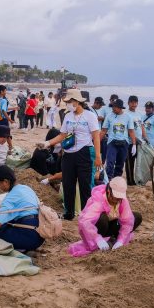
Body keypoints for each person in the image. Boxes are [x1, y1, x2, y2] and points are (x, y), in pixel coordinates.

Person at [38, 89, 102, 220]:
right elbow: (62, 135)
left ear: (77, 102)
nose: (67, 104)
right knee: (67, 184)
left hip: (85, 153)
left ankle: (87, 215)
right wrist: (47, 143)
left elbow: (96, 137)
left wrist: (98, 156)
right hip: (68, 154)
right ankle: (68, 213)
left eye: (70, 101)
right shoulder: (68, 116)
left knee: (86, 185)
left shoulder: (90, 116)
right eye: (67, 102)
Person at [68, 177, 142, 257]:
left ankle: (114, 240)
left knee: (136, 217)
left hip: (112, 225)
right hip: (100, 228)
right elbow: (85, 222)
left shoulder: (122, 201)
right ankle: (101, 242)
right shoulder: (99, 200)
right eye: (115, 197)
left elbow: (127, 222)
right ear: (108, 191)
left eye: (119, 198)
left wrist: (121, 241)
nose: (116, 200)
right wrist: (98, 239)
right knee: (103, 218)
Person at [0, 166, 44, 252]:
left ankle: (21, 248)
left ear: (6, 181)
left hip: (30, 237)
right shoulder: (25, 188)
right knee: (6, 223)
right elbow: (1, 207)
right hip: (40, 233)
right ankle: (23, 244)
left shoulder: (11, 197)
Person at [101, 99, 136, 180]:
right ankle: (108, 181)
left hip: (124, 143)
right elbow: (103, 130)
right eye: (112, 106)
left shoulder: (128, 117)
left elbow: (131, 131)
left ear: (120, 108)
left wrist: (134, 144)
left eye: (115, 107)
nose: (113, 108)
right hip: (112, 142)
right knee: (110, 163)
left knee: (120, 164)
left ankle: (116, 180)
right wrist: (96, 142)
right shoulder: (109, 116)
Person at [125, 95, 147, 186]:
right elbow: (127, 129)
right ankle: (130, 181)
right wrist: (135, 139)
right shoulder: (126, 114)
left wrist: (145, 137)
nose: (134, 104)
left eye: (135, 102)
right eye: (132, 102)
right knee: (130, 163)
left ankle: (138, 179)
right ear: (128, 103)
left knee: (139, 162)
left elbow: (141, 126)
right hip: (130, 143)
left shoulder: (139, 114)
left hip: (139, 142)